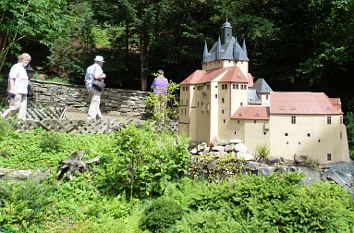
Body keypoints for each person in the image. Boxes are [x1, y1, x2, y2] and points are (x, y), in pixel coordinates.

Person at [1, 53, 31, 120]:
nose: (27, 62)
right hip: (16, 91)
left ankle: (21, 123)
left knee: (23, 108)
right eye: (25, 60)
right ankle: (2, 118)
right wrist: (11, 89)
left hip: (24, 91)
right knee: (15, 106)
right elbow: (12, 78)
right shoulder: (16, 66)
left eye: (28, 60)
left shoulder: (24, 69)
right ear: (21, 59)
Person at [85, 55, 106, 120]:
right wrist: (103, 76)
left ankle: (99, 118)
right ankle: (90, 118)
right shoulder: (98, 67)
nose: (102, 63)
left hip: (89, 87)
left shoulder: (89, 67)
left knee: (95, 102)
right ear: (99, 62)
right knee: (95, 102)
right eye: (102, 62)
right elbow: (96, 76)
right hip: (96, 87)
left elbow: (85, 79)